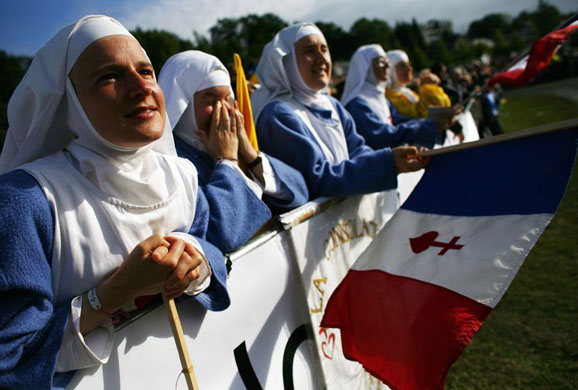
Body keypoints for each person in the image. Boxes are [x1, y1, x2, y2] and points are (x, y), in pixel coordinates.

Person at [0, 16, 230, 389]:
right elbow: (11, 360)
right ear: (69, 101)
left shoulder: (181, 175)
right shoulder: (26, 201)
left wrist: (196, 261)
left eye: (146, 71)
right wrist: (111, 293)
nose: (140, 87)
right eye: (109, 76)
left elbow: (213, 245)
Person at [253, 23, 428, 200]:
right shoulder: (278, 114)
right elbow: (318, 180)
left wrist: (389, 162)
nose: (321, 59)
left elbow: (358, 151)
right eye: (309, 51)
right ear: (286, 62)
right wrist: (388, 164)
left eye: (324, 49)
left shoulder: (332, 105)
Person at [158, 51, 308, 214]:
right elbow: (224, 231)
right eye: (210, 101)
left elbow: (300, 194)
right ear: (183, 106)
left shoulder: (234, 146)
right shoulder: (172, 164)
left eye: (227, 99)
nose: (223, 109)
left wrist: (250, 154)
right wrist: (227, 161)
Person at [341, 44, 446, 150]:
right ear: (365, 67)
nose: (388, 66)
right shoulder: (357, 104)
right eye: (381, 62)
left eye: (388, 62)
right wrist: (429, 126)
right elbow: (381, 137)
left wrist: (434, 123)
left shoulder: (381, 98)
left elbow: (399, 121)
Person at [385, 49, 452, 119]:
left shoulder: (407, 92)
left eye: (409, 64)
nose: (409, 68)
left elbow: (441, 108)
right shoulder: (390, 96)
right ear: (390, 71)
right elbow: (421, 115)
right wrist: (428, 87)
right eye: (402, 66)